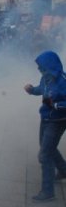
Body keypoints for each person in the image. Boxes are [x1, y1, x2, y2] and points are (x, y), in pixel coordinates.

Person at [24, 51, 66, 202]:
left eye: (41, 67)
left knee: (44, 155)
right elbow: (41, 89)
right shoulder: (46, 78)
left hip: (57, 121)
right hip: (45, 119)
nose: (39, 70)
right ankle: (63, 170)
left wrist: (56, 105)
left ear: (50, 66)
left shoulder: (63, 81)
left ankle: (48, 192)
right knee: (48, 147)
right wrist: (31, 90)